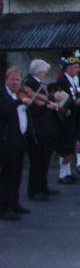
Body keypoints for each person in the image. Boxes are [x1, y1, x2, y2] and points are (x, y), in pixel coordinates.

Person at [0, 67, 34, 220]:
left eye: (17, 80)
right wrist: (19, 102)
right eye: (12, 79)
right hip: (7, 141)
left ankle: (14, 203)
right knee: (8, 175)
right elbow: (4, 112)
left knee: (17, 173)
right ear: (6, 80)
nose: (15, 82)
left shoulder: (17, 94)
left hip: (20, 139)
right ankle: (4, 207)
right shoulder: (3, 94)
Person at [24, 59, 60, 201]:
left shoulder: (37, 84)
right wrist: (52, 98)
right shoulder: (30, 84)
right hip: (38, 127)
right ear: (39, 71)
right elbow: (36, 104)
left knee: (44, 159)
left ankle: (43, 186)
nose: (46, 74)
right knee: (37, 160)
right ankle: (34, 190)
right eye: (45, 71)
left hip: (45, 126)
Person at [56, 54, 80, 184]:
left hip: (73, 115)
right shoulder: (62, 81)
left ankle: (68, 172)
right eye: (75, 67)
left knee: (69, 146)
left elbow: (74, 95)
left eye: (78, 67)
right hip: (66, 116)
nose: (78, 69)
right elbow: (66, 99)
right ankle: (62, 174)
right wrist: (77, 102)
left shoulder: (73, 79)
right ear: (67, 68)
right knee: (64, 146)